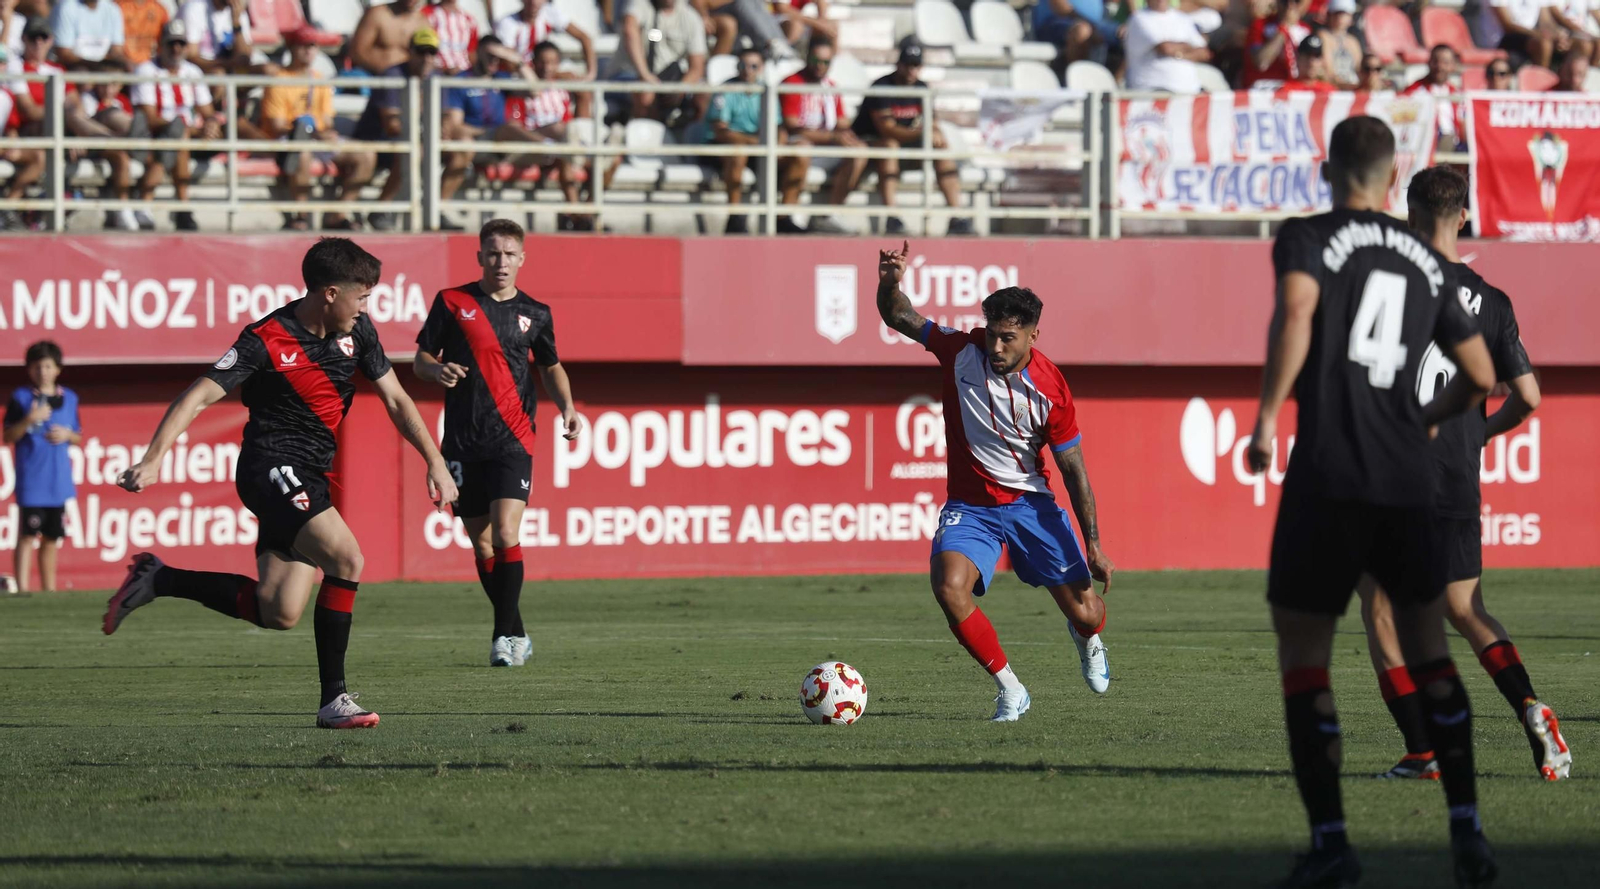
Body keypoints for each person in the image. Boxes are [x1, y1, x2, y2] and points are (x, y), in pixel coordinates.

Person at [1246, 116, 1499, 888]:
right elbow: (1483, 376)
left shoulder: (1308, 236)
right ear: (1394, 179)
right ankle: (1468, 828)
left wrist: (1263, 419)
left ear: (1329, 171)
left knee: (1304, 654)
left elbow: (1295, 314)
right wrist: (1424, 419)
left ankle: (1331, 842)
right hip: (1405, 479)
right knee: (1431, 647)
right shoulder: (1425, 257)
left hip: (1328, 470)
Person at [106, 238, 459, 730]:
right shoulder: (266, 337)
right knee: (348, 558)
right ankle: (334, 700)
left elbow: (398, 401)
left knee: (279, 610)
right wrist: (152, 459)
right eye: (362, 296)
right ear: (331, 293)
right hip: (269, 466)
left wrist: (435, 462)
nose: (366, 307)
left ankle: (159, 578)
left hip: (309, 474)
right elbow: (196, 397)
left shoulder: (359, 334)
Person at [1353, 165, 1570, 787]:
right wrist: (1481, 432)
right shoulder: (1494, 302)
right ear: (1466, 217)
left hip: (1395, 474)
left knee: (1381, 607)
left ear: (1411, 216)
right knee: (1465, 607)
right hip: (1456, 477)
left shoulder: (1389, 288)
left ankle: (1422, 751)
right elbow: (1528, 396)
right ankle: (1531, 706)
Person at [874, 241, 1115, 722]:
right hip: (971, 506)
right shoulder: (961, 351)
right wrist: (889, 281)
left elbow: (1074, 471)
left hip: (1031, 504)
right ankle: (1011, 689)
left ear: (1032, 335)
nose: (996, 347)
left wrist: (1093, 544)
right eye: (992, 335)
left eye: (1008, 337)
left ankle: (1086, 637)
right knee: (949, 588)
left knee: (1088, 612)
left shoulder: (1051, 389)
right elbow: (899, 316)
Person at [413, 219, 582, 668]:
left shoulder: (536, 312)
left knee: (507, 533)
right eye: (492, 253)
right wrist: (437, 371)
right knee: (483, 545)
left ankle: (501, 636)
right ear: (479, 257)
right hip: (463, 442)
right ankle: (518, 631)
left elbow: (551, 366)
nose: (500, 261)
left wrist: (567, 405)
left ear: (522, 258)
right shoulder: (453, 302)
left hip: (514, 437)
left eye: (509, 254)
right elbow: (421, 360)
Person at [259, 26, 375, 231]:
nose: (308, 50)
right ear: (292, 48)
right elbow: (278, 127)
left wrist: (324, 134)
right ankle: (301, 215)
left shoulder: (319, 79)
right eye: (303, 45)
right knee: (302, 151)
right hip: (289, 138)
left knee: (366, 154)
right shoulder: (278, 79)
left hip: (317, 139)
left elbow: (327, 121)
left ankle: (337, 215)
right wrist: (311, 132)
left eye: (312, 45)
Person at [851, 42, 971, 235]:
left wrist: (935, 132)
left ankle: (957, 215)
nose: (911, 70)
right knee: (889, 146)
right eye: (907, 64)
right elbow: (886, 129)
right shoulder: (882, 86)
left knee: (941, 148)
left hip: (904, 146)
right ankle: (892, 216)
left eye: (915, 65)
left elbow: (931, 121)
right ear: (898, 64)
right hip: (872, 143)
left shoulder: (922, 88)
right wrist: (924, 133)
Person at [438, 36, 549, 219]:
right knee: (506, 129)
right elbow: (454, 127)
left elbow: (536, 90)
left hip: (501, 146)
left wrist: (516, 60)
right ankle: (552, 148)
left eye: (498, 56)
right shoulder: (461, 81)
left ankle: (553, 150)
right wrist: (487, 132)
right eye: (490, 54)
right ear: (478, 53)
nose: (494, 60)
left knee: (513, 130)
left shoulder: (501, 78)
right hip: (477, 142)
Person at [3, 341, 81, 593]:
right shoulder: (21, 398)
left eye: (48, 366)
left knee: (52, 537)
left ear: (57, 369)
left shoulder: (69, 398)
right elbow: (8, 436)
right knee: (27, 536)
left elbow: (79, 435)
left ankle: (49, 591)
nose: (43, 371)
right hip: (32, 481)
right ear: (29, 369)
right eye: (37, 366)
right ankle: (23, 590)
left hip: (57, 482)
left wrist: (68, 434)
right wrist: (29, 419)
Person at [132, 19, 219, 232]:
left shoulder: (193, 72)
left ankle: (147, 200)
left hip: (181, 135)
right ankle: (182, 206)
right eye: (171, 43)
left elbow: (208, 112)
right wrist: (190, 129)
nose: (176, 48)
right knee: (179, 135)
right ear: (161, 44)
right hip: (152, 135)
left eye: (180, 43)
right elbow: (150, 118)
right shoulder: (145, 70)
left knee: (180, 135)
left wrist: (211, 124)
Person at [353, 27, 441, 231]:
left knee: (456, 148)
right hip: (375, 139)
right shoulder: (393, 75)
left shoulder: (435, 78)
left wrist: (439, 133)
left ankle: (438, 208)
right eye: (421, 51)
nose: (427, 58)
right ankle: (381, 208)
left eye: (432, 52)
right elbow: (391, 125)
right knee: (414, 150)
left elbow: (445, 120)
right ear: (410, 51)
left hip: (410, 138)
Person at [778, 35, 867, 234]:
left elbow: (842, 123)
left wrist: (850, 138)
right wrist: (832, 138)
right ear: (807, 58)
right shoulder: (792, 82)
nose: (820, 66)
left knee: (860, 152)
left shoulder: (831, 87)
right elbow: (793, 126)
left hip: (824, 147)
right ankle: (785, 217)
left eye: (825, 62)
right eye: (816, 60)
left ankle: (829, 214)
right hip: (796, 144)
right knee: (802, 149)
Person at [503, 40, 589, 230]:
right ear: (533, 62)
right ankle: (578, 214)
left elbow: (578, 106)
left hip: (559, 147)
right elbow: (515, 124)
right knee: (564, 137)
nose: (547, 67)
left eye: (552, 62)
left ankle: (583, 213)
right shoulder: (521, 88)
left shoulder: (561, 88)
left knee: (607, 160)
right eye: (542, 62)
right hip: (533, 143)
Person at [706, 43, 777, 233]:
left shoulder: (768, 92)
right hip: (725, 148)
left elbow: (776, 128)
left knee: (792, 157)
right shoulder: (726, 89)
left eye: (753, 66)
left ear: (761, 68)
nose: (747, 71)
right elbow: (721, 132)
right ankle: (735, 215)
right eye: (742, 66)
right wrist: (756, 142)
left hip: (757, 147)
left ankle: (783, 218)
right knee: (738, 154)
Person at [612, 0, 708, 124]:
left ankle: (694, 140)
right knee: (646, 92)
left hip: (670, 80)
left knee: (704, 96)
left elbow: (697, 67)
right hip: (628, 75)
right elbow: (629, 30)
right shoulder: (640, 4)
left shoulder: (690, 17)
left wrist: (679, 89)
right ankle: (650, 139)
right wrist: (645, 74)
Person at [1124, 0, 1212, 94]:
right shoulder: (1139, 18)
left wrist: (1178, 54)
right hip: (1154, 90)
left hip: (1190, 90)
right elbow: (1165, 48)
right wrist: (1189, 47)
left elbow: (1204, 53)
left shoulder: (1182, 18)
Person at [495, 0, 597, 79]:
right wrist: (555, 73)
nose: (533, 2)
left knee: (583, 91)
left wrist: (590, 74)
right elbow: (509, 61)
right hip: (518, 76)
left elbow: (584, 38)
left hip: (543, 70)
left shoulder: (549, 13)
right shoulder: (507, 23)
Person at [1402, 45, 1465, 151]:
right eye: (1436, 61)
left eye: (1445, 62)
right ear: (1429, 63)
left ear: (1452, 66)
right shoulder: (1413, 92)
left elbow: (1464, 125)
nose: (1440, 67)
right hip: (1425, 145)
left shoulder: (1457, 94)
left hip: (1454, 144)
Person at [1242, 0, 1311, 88]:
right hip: (1264, 87)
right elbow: (1261, 62)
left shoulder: (1305, 30)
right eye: (1285, 1)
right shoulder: (1260, 25)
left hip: (1293, 88)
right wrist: (1284, 28)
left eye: (1296, 1)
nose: (1290, 6)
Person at [349, 0, 427, 74]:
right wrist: (386, 71)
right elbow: (357, 52)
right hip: (373, 77)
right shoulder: (377, 14)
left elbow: (426, 57)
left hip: (406, 81)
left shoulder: (423, 23)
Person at [49, 0, 131, 70]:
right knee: (83, 75)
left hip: (102, 67)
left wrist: (124, 63)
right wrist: (96, 65)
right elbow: (64, 54)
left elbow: (117, 51)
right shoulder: (66, 8)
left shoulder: (112, 9)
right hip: (74, 67)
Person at [1033, 0, 1118, 66]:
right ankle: (1077, 82)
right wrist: (1091, 25)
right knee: (1082, 31)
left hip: (1097, 23)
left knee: (1125, 33)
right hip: (1056, 21)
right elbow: (1058, 5)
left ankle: (1116, 85)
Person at [424, 0, 478, 75]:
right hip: (436, 75)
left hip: (464, 76)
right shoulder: (426, 14)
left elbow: (472, 52)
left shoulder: (469, 20)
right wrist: (443, 70)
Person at [1320, 0, 1362, 88]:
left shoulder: (1353, 41)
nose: (1340, 17)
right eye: (1336, 13)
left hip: (1352, 85)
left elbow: (1359, 68)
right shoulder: (1324, 37)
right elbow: (1328, 70)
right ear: (1329, 15)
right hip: (1333, 87)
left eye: (1344, 13)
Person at [114, 0, 168, 66]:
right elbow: (114, 48)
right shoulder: (118, 8)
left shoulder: (160, 10)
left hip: (152, 67)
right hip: (123, 66)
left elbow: (165, 44)